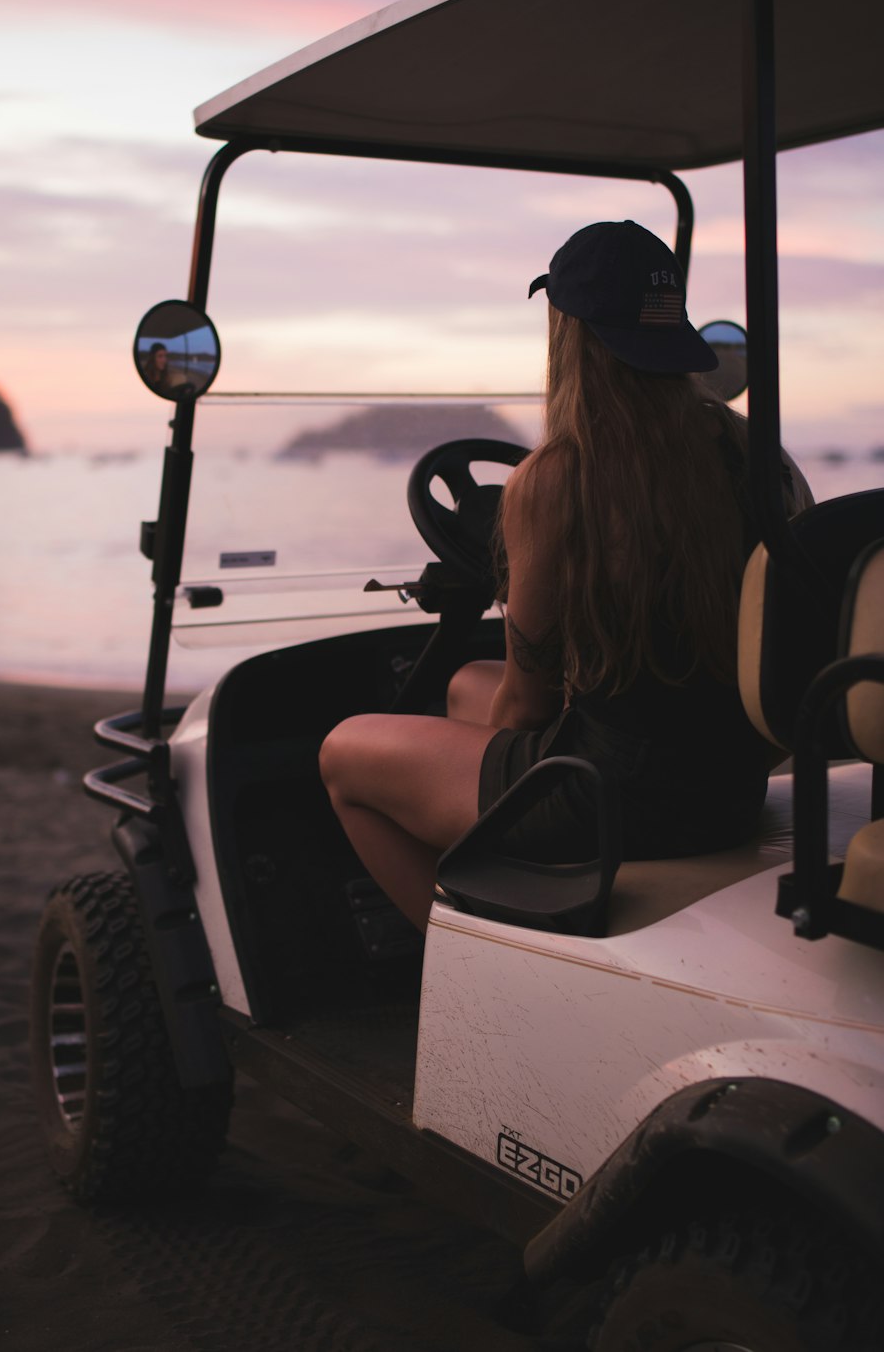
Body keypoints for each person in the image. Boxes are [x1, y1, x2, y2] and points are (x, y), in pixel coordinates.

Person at [319, 220, 811, 933]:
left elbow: (526, 706)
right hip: (727, 787)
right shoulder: (748, 455)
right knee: (462, 687)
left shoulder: (556, 483)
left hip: (615, 798)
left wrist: (484, 762)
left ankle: (463, 974)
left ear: (569, 333)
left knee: (346, 754)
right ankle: (516, 897)